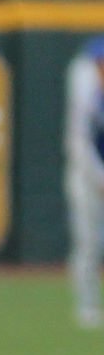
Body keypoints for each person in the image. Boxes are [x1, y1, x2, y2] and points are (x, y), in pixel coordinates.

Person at [64, 35, 104, 329]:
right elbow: (79, 143)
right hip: (87, 177)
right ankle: (87, 306)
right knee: (88, 242)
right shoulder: (85, 89)